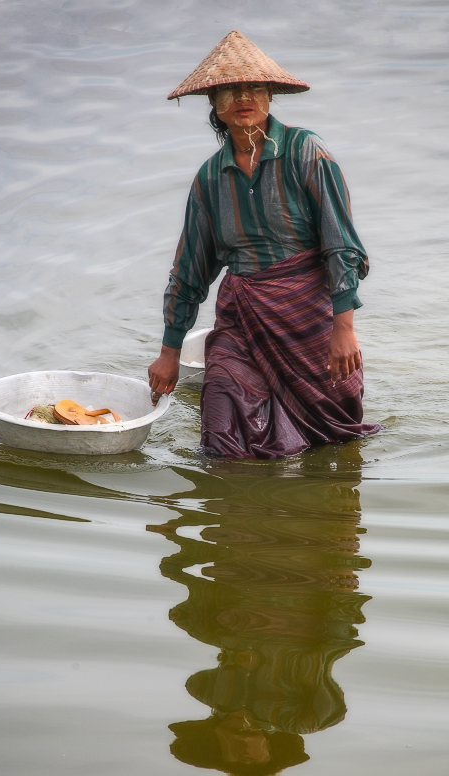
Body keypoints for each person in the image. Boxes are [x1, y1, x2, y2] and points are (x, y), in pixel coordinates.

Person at [148, 30, 382, 458]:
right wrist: (169, 352)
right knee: (220, 430)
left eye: (254, 86)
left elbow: (341, 245)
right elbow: (190, 270)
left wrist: (343, 329)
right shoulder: (209, 178)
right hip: (241, 317)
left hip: (307, 319)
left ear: (270, 95)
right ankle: (230, 515)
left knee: (329, 444)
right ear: (214, 103)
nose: (244, 97)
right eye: (230, 89)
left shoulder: (305, 151)